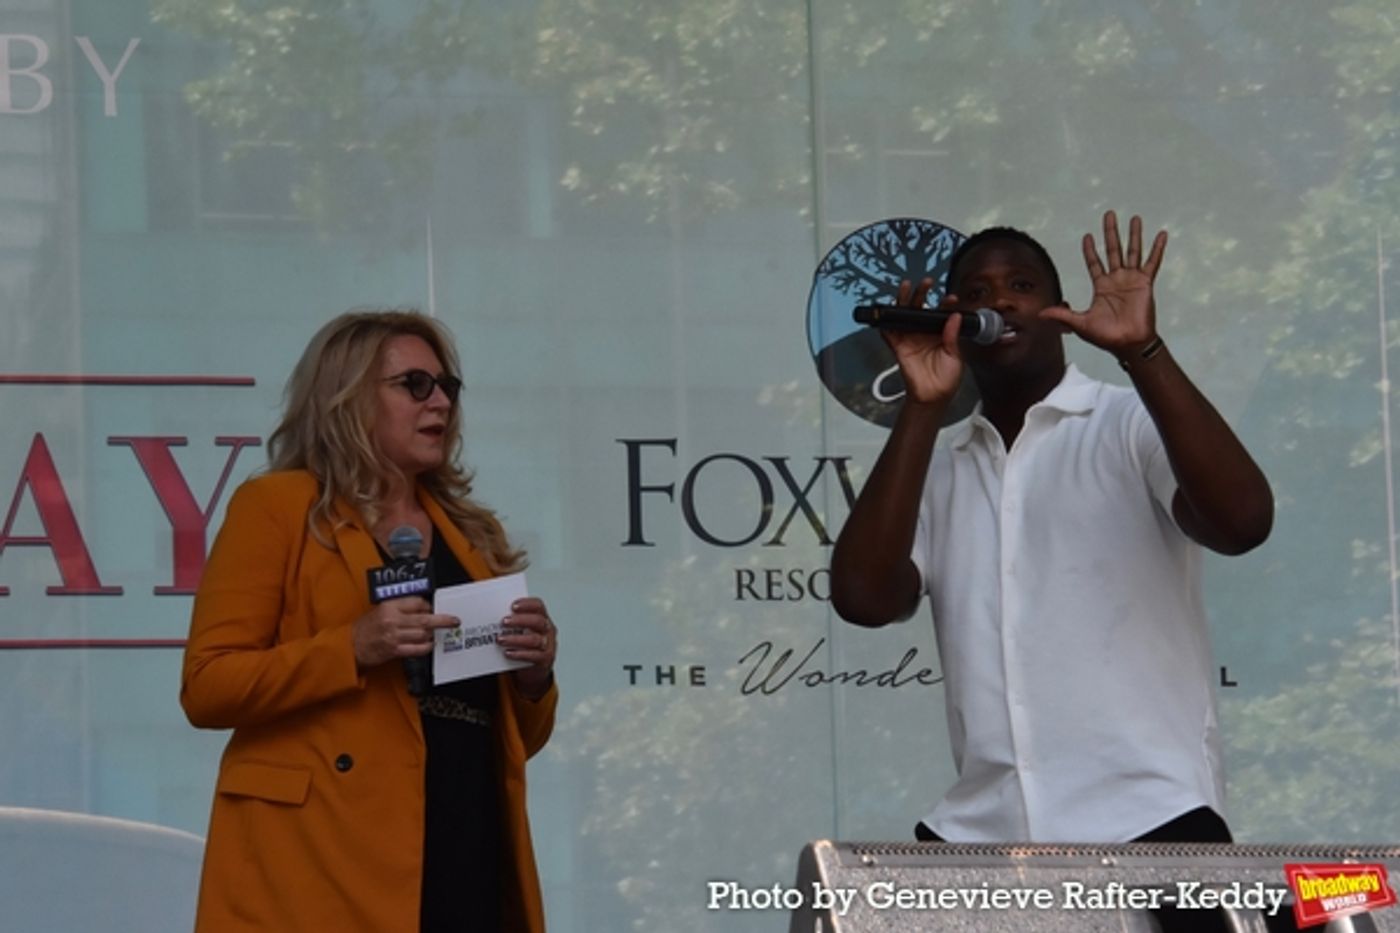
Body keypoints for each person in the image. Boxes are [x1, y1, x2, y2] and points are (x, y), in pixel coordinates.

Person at [830, 211, 1273, 847]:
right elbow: (864, 600)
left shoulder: (1126, 422)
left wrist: (1141, 352)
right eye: (977, 295)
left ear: (1061, 311)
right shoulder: (938, 468)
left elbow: (1244, 523)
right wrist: (923, 407)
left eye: (1021, 286)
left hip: (1152, 819)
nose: (1001, 301)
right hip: (985, 833)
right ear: (955, 322)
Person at [181, 310, 558, 933]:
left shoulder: (473, 534)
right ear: (347, 399)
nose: (440, 401)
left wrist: (532, 677)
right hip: (323, 857)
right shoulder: (276, 507)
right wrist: (352, 647)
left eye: (447, 387)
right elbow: (206, 686)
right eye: (415, 384)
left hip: (465, 832)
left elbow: (512, 737)